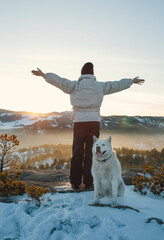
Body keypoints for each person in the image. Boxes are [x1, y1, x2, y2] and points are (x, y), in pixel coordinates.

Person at [31, 62, 145, 190]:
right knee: (93, 153)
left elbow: (59, 81)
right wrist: (131, 81)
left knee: (77, 151)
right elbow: (116, 85)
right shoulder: (99, 86)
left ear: (82, 73)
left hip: (79, 122)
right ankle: (89, 182)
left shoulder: (74, 85)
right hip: (93, 122)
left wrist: (44, 75)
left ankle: (75, 182)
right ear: (92, 73)